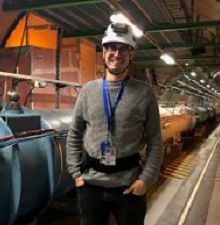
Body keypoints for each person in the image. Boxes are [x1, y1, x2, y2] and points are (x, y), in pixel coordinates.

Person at [66, 22, 163, 225]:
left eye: (123, 48)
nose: (116, 54)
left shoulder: (145, 93)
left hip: (129, 189)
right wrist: (77, 175)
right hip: (90, 187)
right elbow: (74, 134)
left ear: (131, 54)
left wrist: (145, 181)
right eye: (111, 47)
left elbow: (155, 141)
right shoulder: (87, 91)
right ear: (104, 52)